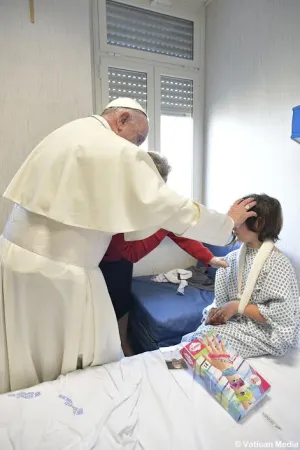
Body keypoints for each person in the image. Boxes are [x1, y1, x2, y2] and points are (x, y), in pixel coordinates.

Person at [0, 97, 256, 394]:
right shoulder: (112, 149)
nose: (137, 148)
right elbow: (170, 210)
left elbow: (172, 230)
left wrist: (210, 257)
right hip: (59, 274)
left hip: (15, 260)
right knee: (73, 363)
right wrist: (227, 225)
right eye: (138, 138)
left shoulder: (69, 133)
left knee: (23, 348)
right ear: (121, 120)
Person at [100, 151, 228, 356]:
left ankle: (123, 343)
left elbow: (181, 233)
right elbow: (131, 252)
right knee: (105, 309)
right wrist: (164, 227)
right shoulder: (117, 204)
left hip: (121, 265)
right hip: (101, 262)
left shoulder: (152, 203)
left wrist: (209, 258)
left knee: (122, 305)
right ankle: (109, 349)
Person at [182, 194, 300, 358]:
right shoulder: (231, 260)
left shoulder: (278, 264)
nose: (233, 225)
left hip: (262, 333)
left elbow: (282, 316)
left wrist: (238, 306)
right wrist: (216, 313)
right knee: (195, 339)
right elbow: (222, 302)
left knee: (204, 342)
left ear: (258, 223)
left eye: (240, 219)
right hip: (236, 325)